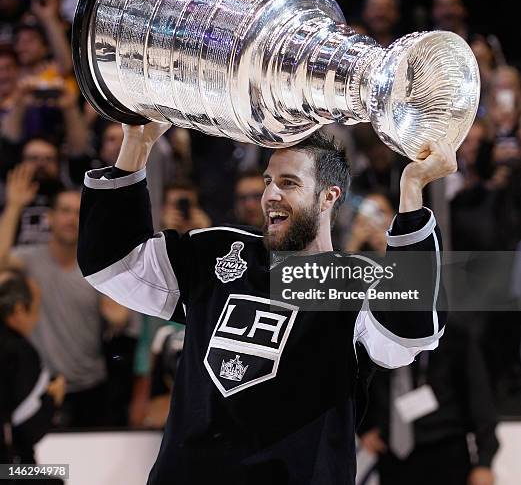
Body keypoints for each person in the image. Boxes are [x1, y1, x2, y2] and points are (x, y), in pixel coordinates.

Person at [77, 122, 456, 485]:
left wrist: (412, 191)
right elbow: (114, 264)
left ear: (328, 196)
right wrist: (136, 145)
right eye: (268, 181)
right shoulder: (220, 250)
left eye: (289, 183)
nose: (270, 195)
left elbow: (409, 334)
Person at [0, 179, 131, 427]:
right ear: (49, 218)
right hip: (37, 384)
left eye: (78, 212)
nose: (71, 219)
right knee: (36, 463)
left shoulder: (97, 265)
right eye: (64, 211)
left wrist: (114, 309)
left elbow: (120, 316)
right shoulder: (30, 259)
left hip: (90, 387)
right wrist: (14, 206)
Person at [359, 322, 499, 485]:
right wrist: (363, 429)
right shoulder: (373, 336)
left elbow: (480, 400)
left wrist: (484, 462)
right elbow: (360, 384)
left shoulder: (454, 337)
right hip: (392, 455)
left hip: (444, 452)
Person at [0, 267, 66, 465]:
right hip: (7, 470)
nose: (36, 320)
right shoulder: (20, 352)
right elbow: (28, 431)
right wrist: (52, 399)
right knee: (58, 476)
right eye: (36, 310)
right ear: (19, 309)